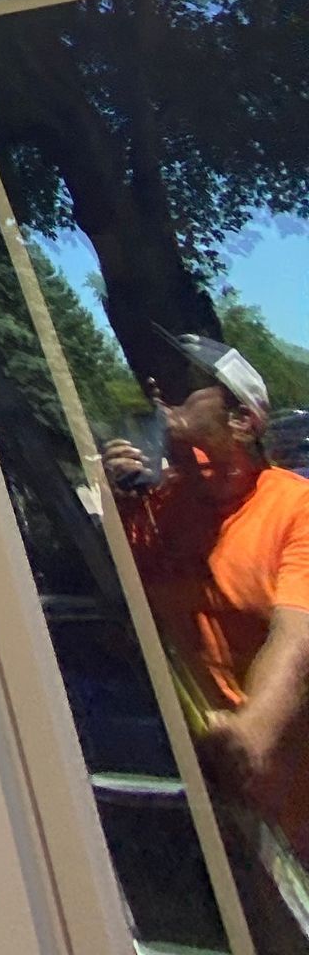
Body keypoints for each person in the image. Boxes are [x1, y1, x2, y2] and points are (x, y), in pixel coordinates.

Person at [103, 332, 309, 864]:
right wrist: (113, 498)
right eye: (153, 378)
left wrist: (252, 734)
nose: (156, 389)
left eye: (181, 384)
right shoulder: (156, 505)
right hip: (198, 786)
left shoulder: (296, 508)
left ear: (243, 421)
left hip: (282, 790)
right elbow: (121, 609)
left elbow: (298, 639)